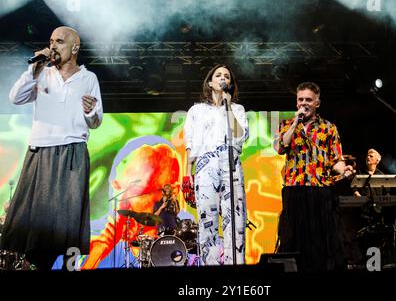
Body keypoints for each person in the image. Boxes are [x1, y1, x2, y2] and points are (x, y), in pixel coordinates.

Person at [0, 26, 103, 270]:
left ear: (74, 47)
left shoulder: (88, 78)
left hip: (72, 152)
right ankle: (36, 265)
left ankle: (69, 266)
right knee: (36, 221)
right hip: (41, 150)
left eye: (59, 41)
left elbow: (96, 121)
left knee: (69, 220)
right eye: (51, 41)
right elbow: (16, 97)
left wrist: (90, 110)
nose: (53, 45)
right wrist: (33, 70)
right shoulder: (42, 74)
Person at [274, 81, 354, 273]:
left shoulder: (329, 128)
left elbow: (336, 159)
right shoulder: (286, 125)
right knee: (294, 238)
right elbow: (279, 147)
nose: (304, 104)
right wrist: (295, 122)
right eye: (300, 100)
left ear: (317, 103)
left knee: (322, 240)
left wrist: (345, 170)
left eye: (308, 100)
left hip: (320, 190)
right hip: (295, 189)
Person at [81, 136, 181, 269]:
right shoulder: (90, 242)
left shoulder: (181, 248)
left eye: (137, 191)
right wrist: (100, 248)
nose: (122, 202)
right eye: (118, 187)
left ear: (171, 191)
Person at [183, 64, 249, 265]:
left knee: (236, 221)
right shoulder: (196, 110)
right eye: (218, 75)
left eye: (227, 76)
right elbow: (191, 144)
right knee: (207, 223)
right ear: (210, 83)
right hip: (205, 168)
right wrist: (187, 174)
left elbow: (240, 136)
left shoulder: (237, 109)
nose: (223, 78)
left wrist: (228, 106)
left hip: (232, 165)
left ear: (230, 83)